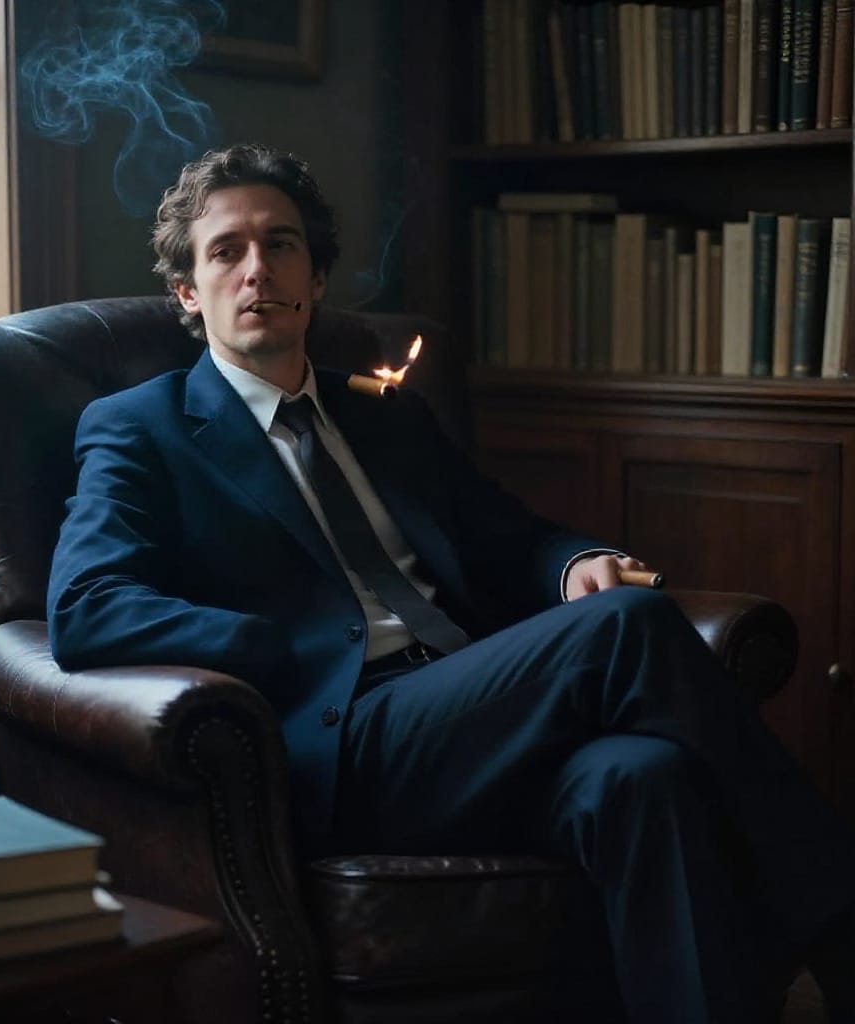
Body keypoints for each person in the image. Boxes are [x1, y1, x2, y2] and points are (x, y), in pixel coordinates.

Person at [47, 142, 855, 1024]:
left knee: (641, 774)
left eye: (281, 244)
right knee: (630, 625)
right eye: (226, 251)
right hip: (343, 743)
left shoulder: (383, 413)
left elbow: (513, 538)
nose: (257, 269)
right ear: (187, 291)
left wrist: (573, 564)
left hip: (473, 710)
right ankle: (841, 929)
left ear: (317, 277)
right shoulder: (139, 428)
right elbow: (87, 608)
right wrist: (269, 645)